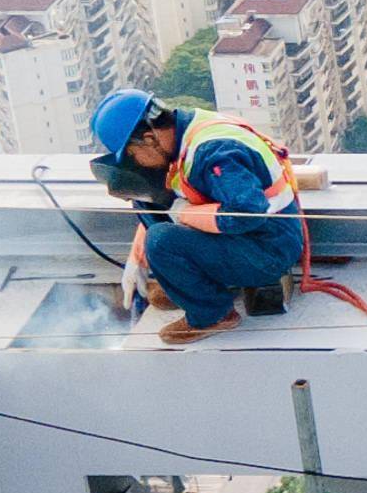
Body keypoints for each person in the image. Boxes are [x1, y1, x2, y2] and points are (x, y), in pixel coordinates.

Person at [90, 89, 302, 343]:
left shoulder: (213, 152)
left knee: (161, 241)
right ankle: (192, 288)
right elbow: (162, 201)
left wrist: (185, 214)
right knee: (145, 196)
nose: (137, 164)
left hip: (268, 249)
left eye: (133, 156)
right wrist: (138, 256)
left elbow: (248, 213)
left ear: (149, 139)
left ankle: (213, 313)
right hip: (249, 239)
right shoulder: (185, 131)